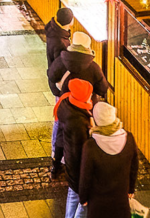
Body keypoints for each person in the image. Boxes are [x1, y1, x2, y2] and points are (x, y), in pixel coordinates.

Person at [76, 103, 139, 218]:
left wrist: (83, 197)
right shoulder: (129, 139)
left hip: (98, 203)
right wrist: (130, 189)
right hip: (120, 199)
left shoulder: (91, 146)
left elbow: (86, 175)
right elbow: (134, 167)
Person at [54, 79, 94, 211]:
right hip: (76, 164)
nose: (91, 96)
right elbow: (80, 148)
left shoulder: (67, 102)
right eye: (89, 94)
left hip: (69, 154)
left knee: (72, 194)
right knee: (77, 197)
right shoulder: (78, 121)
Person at [49, 32, 109, 100]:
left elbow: (51, 78)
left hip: (64, 101)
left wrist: (59, 93)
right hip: (85, 104)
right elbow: (102, 89)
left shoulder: (59, 61)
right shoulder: (94, 68)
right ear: (88, 47)